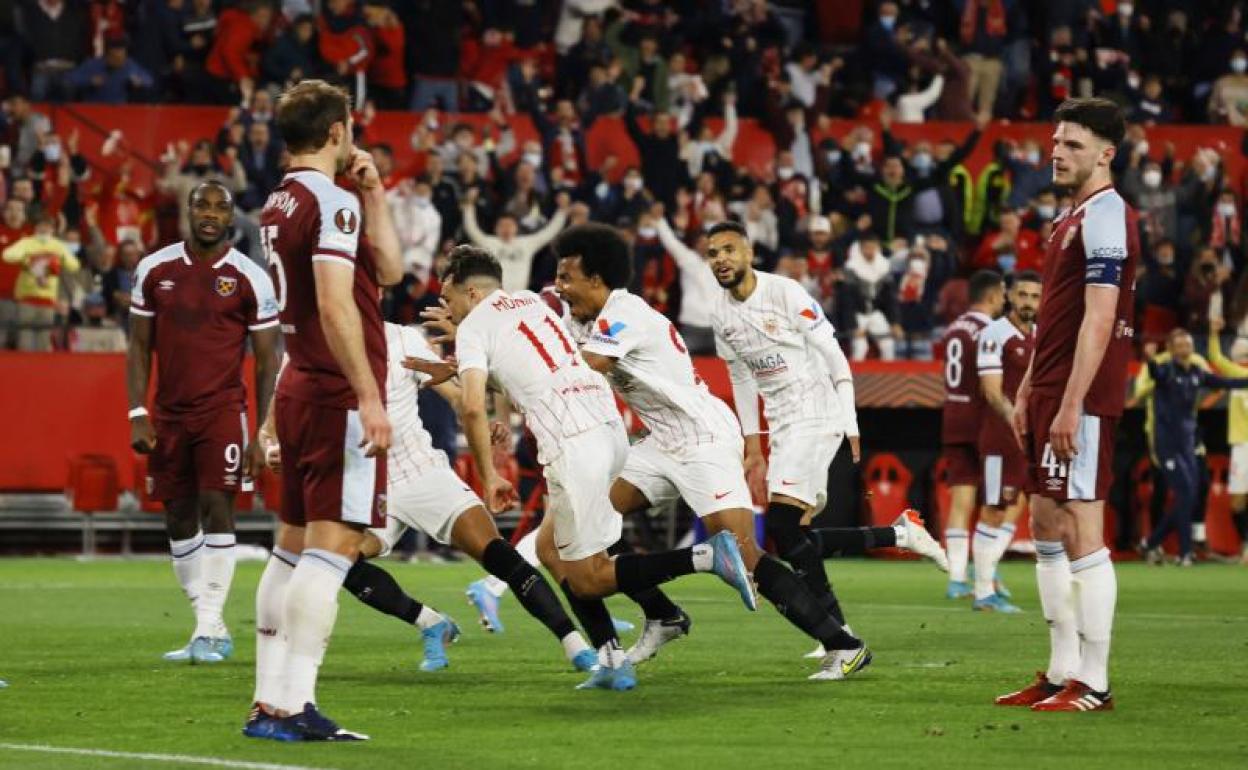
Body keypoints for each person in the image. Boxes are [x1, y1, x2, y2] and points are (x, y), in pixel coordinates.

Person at [436, 244, 757, 691]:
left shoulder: (475, 328)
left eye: (446, 295)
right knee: (551, 550)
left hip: (572, 440)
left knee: (587, 579)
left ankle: (703, 557)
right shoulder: (532, 302)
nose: (443, 305)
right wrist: (455, 364)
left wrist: (490, 473)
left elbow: (472, 408)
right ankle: (611, 661)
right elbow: (531, 366)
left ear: (470, 292)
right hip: (608, 427)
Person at [258, 323, 599, 674]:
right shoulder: (309, 349)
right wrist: (271, 448)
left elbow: (456, 397)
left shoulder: (402, 340)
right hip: (367, 483)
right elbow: (271, 427)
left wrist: (483, 418)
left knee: (498, 555)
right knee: (339, 563)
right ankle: (429, 622)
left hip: (422, 472)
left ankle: (575, 645)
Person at [705, 220, 947, 674]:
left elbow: (834, 353)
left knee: (781, 525)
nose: (721, 259)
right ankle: (897, 540)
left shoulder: (786, 293)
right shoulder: (719, 313)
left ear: (749, 252)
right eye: (713, 252)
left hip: (816, 414)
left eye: (728, 250)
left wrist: (850, 421)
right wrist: (752, 443)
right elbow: (739, 376)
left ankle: (840, 640)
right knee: (795, 533)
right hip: (781, 426)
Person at [246, 79, 403, 742]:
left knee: (290, 548)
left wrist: (375, 195)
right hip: (336, 392)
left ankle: (267, 701)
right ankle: (292, 706)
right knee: (332, 547)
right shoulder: (330, 202)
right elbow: (338, 306)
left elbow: (387, 273)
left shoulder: (280, 202)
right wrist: (370, 397)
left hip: (300, 383)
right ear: (339, 130)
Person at [998, 97, 1136, 713]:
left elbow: (1100, 319)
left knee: (1082, 525)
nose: (1056, 152)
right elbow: (1059, 318)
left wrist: (1071, 402)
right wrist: (1032, 384)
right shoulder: (1067, 218)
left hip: (1082, 394)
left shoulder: (1107, 215)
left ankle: (1096, 681)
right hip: (1052, 387)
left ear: (1106, 154)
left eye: (1073, 144)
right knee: (1046, 525)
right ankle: (1060, 671)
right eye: (1056, 141)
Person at [126, 181, 280, 664]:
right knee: (177, 515)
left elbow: (268, 361)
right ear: (187, 211)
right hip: (168, 414)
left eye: (220, 207)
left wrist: (263, 431)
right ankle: (205, 624)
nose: (210, 214)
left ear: (232, 217)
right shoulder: (154, 269)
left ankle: (210, 628)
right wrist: (137, 412)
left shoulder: (250, 277)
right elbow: (137, 347)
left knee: (218, 505)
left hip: (221, 411)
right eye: (202, 205)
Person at [1139, 328, 1248, 565]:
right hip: (1166, 444)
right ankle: (1183, 552)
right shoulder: (1166, 371)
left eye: (1187, 345)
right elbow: (1155, 373)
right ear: (1170, 349)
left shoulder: (1197, 373)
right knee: (1186, 494)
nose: (1184, 350)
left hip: (1188, 444)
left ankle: (1153, 543)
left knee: (1189, 495)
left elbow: (1226, 383)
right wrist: (1149, 359)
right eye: (1179, 346)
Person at [973, 271, 1042, 612]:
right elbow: (991, 392)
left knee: (1019, 506)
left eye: (1035, 296)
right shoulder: (994, 334)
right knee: (994, 511)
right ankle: (983, 591)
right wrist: (1017, 421)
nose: (1029, 302)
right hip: (1001, 438)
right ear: (1011, 296)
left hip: (1029, 439)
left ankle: (988, 575)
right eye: (1023, 295)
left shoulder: (1041, 336)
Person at [937, 270, 1006, 599]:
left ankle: (956, 578)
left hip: (952, 414)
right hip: (981, 419)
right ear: (993, 296)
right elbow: (987, 380)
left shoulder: (953, 328)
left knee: (961, 498)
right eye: (1004, 294)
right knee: (996, 499)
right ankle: (985, 573)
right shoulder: (989, 329)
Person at [1, 213, 79, 351]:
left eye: (48, 226)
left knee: (44, 339)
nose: (44, 229)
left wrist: (60, 259)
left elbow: (74, 265)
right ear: (36, 228)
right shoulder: (26, 242)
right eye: (41, 226)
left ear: (53, 229)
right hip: (27, 298)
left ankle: (42, 371)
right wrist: (27, 258)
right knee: (24, 338)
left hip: (47, 299)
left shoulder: (58, 246)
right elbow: (7, 255)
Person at [1206, 317, 1248, 564]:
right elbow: (1216, 359)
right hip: (1242, 445)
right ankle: (1245, 544)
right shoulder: (1237, 373)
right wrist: (1213, 334)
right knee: (1237, 501)